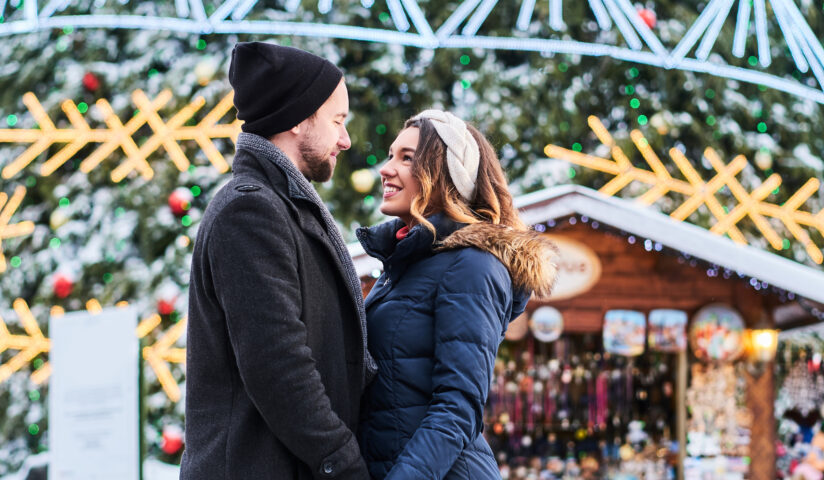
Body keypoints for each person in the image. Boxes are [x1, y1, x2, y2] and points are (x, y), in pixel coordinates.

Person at [182, 42, 374, 479]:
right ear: (297, 119)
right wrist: (343, 462)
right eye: (337, 121)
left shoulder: (284, 206)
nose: (345, 140)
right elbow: (278, 365)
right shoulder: (249, 212)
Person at [355, 110, 557, 479]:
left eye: (406, 158)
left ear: (447, 175)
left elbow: (457, 408)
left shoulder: (472, 265)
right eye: (389, 155)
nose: (385, 169)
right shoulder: (404, 265)